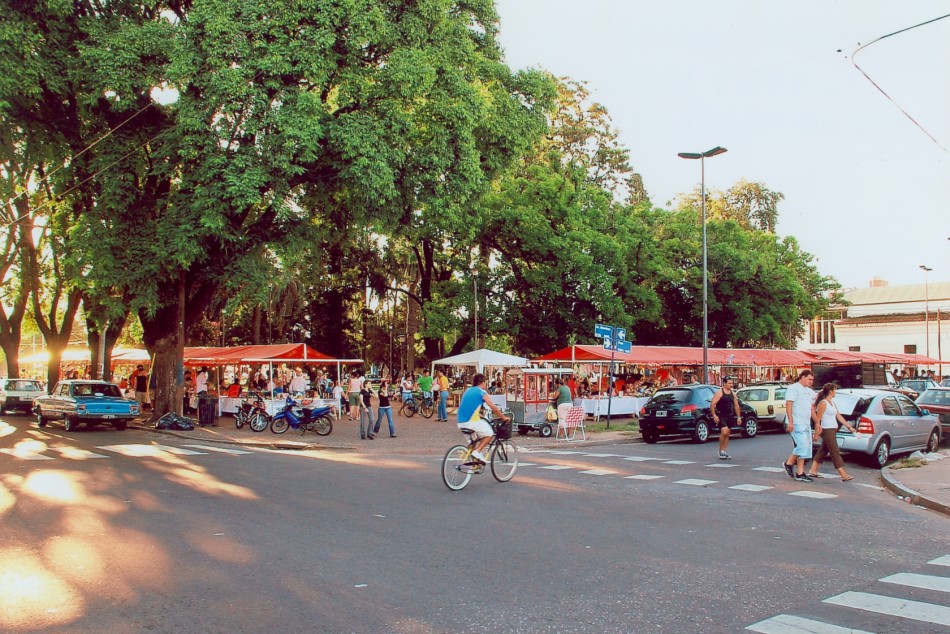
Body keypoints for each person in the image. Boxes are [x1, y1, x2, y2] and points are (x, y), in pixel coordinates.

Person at [807, 382, 856, 481]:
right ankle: (843, 475)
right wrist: (816, 433)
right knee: (835, 451)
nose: (836, 392)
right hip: (826, 429)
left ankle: (813, 470)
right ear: (830, 391)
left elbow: (838, 416)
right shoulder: (823, 403)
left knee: (823, 450)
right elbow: (818, 419)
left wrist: (849, 427)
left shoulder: (832, 403)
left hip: (833, 429)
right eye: (835, 390)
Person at [456, 373, 510, 464]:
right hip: (471, 422)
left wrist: (479, 415)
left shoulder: (467, 391)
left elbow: (468, 407)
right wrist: (503, 417)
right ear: (482, 383)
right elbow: (493, 407)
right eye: (485, 383)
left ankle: (473, 463)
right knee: (489, 434)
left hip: (460, 422)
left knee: (474, 441)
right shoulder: (482, 392)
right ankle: (477, 452)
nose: (486, 385)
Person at [783, 370, 818, 482]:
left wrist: (817, 422)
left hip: (806, 422)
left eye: (812, 380)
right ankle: (788, 463)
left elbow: (814, 405)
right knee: (802, 444)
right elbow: (789, 404)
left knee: (806, 447)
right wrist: (791, 421)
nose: (811, 382)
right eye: (809, 379)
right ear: (802, 377)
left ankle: (800, 472)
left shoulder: (809, 391)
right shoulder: (793, 388)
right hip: (797, 422)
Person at [710, 376, 741, 460]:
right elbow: (712, 404)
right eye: (729, 383)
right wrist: (714, 415)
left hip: (730, 415)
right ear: (724, 383)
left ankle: (724, 451)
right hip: (721, 415)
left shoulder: (733, 393)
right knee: (724, 431)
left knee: (727, 433)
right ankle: (720, 450)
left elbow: (736, 405)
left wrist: (738, 417)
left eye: (731, 383)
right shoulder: (719, 393)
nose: (731, 385)